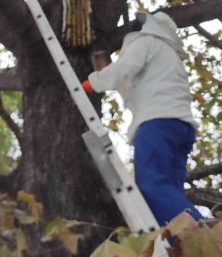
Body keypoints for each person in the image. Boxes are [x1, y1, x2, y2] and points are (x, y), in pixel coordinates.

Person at [81, 12, 202, 226]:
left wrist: (91, 83)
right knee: (170, 191)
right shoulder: (170, 57)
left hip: (158, 123)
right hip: (181, 128)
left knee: (151, 185)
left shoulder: (146, 42)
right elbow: (133, 87)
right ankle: (183, 242)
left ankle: (200, 230)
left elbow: (124, 69)